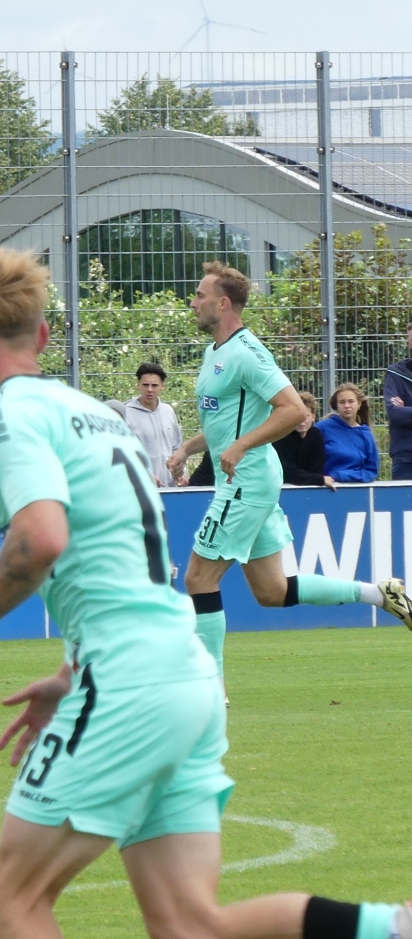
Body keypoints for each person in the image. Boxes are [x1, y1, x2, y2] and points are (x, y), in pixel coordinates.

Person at [0, 246, 412, 939]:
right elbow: (121, 568)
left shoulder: (10, 415)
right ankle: (399, 930)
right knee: (189, 933)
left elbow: (42, 539)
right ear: (45, 334)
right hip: (176, 671)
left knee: (9, 894)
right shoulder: (90, 413)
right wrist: (71, 673)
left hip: (134, 682)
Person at [165, 263, 412, 683]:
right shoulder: (215, 353)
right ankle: (379, 593)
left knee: (198, 579)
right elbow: (228, 423)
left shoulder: (248, 353)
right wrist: (188, 447)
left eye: (200, 295)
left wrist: (243, 445)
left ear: (223, 304)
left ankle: (208, 688)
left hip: (245, 483)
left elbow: (293, 410)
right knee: (272, 591)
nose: (193, 302)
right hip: (248, 481)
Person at [115, 362, 184, 489]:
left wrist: (180, 472)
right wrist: (145, 473)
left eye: (154, 385)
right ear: (138, 385)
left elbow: (176, 447)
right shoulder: (126, 413)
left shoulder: (168, 411)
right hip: (139, 487)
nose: (150, 389)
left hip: (169, 487)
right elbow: (121, 452)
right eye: (145, 385)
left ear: (162, 386)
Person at [318, 382, 380, 485]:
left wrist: (338, 476)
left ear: (359, 404)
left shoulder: (366, 435)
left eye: (351, 401)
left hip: (356, 489)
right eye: (342, 402)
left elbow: (371, 471)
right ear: (336, 405)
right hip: (326, 488)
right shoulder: (322, 428)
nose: (347, 406)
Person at [271, 392, 327, 487]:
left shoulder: (317, 435)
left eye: (306, 416)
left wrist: (313, 478)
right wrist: (318, 479)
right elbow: (288, 473)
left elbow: (317, 469)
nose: (302, 421)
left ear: (313, 417)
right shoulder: (281, 437)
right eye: (297, 416)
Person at [383, 326, 412, 479]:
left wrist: (406, 409)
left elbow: (402, 413)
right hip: (405, 457)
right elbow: (394, 413)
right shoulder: (395, 373)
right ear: (409, 343)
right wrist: (400, 411)